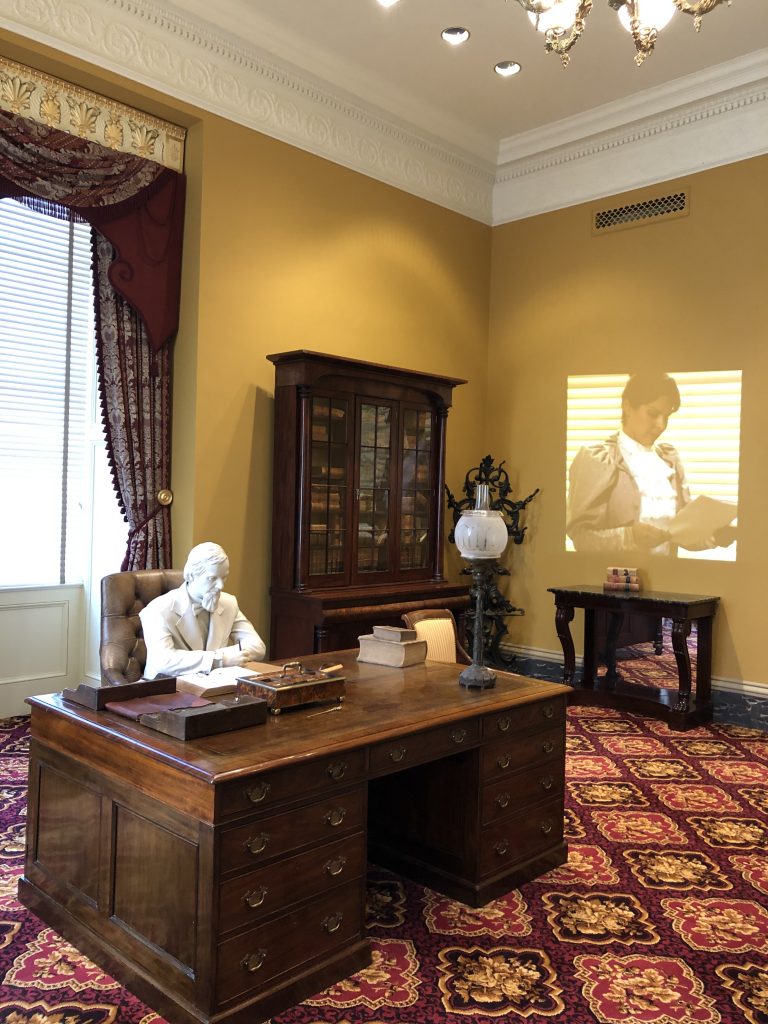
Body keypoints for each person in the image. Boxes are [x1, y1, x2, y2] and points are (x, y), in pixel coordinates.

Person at [567, 372, 732, 554]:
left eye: (666, 416)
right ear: (627, 406)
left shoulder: (669, 460)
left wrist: (714, 536)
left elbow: (683, 533)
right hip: (618, 572)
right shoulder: (598, 459)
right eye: (653, 414)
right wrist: (629, 536)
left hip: (667, 571)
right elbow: (582, 538)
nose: (661, 425)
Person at [140, 541, 266, 678]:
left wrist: (223, 657)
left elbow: (258, 647)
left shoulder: (229, 603)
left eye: (224, 577)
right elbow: (164, 661)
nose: (221, 586)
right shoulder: (157, 610)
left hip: (214, 684)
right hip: (165, 686)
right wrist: (220, 660)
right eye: (212, 578)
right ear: (192, 575)